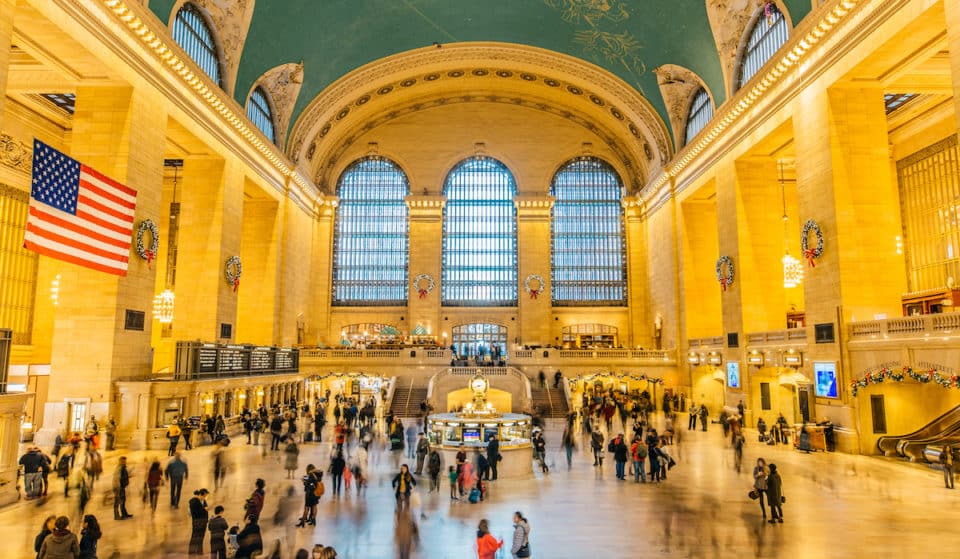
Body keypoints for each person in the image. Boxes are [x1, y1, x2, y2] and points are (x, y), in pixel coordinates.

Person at [188, 489, 210, 556]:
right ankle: (191, 551)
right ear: (200, 494)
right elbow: (195, 513)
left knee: (201, 536)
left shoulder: (203, 501)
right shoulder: (193, 502)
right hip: (197, 522)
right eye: (205, 496)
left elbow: (205, 509)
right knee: (195, 536)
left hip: (203, 522)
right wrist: (204, 509)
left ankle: (199, 550)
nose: (205, 497)